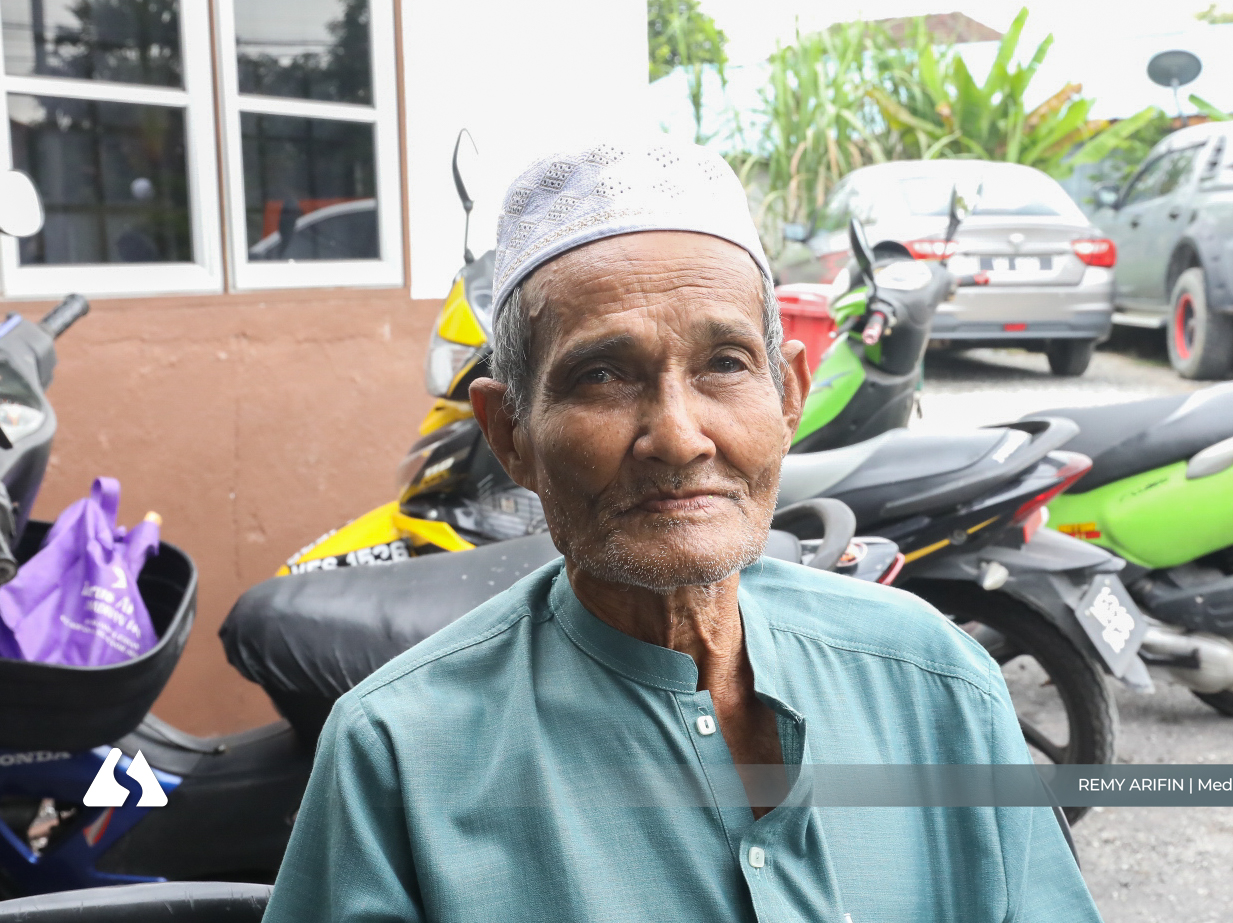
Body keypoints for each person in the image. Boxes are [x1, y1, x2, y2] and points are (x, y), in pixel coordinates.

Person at [262, 138, 1103, 923]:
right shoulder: (399, 755)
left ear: (787, 395)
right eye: (601, 374)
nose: (678, 435)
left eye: (725, 364)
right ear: (509, 431)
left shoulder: (936, 686)